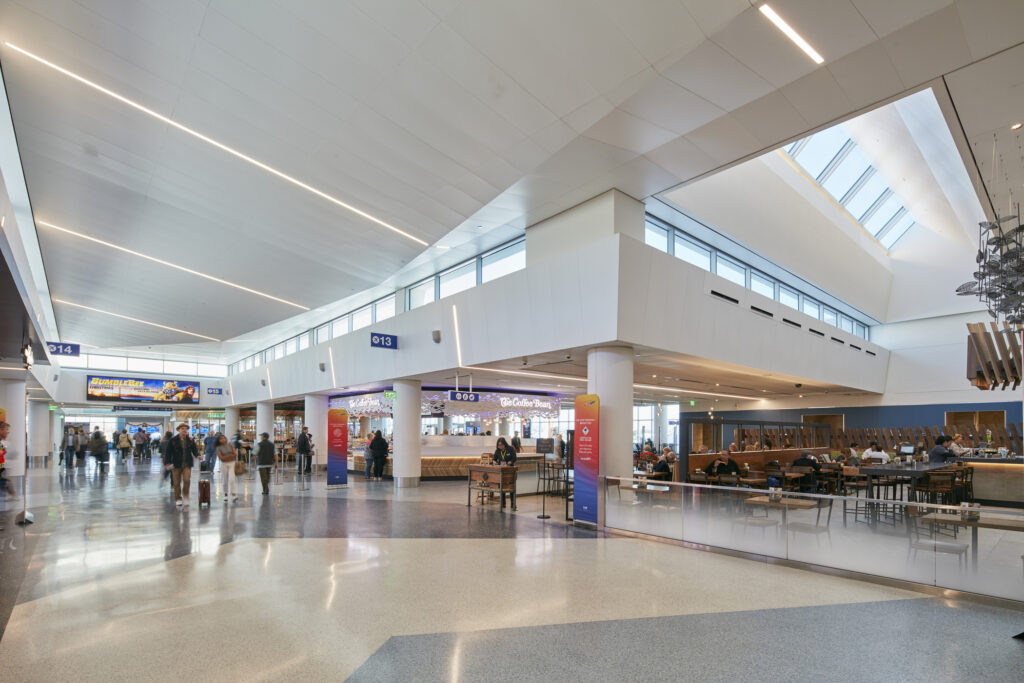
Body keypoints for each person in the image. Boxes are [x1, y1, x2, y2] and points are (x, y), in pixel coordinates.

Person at [167, 423, 200, 507]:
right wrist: (167, 463)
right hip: (176, 464)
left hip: (187, 464)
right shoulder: (173, 440)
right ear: (178, 430)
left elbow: (194, 450)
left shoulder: (190, 440)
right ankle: (178, 498)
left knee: (186, 480)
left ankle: (186, 496)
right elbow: (168, 452)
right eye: (182, 428)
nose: (184, 430)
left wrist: (197, 455)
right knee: (176, 483)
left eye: (186, 429)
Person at [492, 437, 517, 507]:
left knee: (511, 487)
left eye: (501, 445)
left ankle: (513, 503)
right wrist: (494, 461)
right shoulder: (497, 451)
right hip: (502, 471)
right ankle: (503, 503)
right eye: (498, 445)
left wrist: (510, 462)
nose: (500, 446)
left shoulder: (510, 449)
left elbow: (514, 458)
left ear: (504, 444)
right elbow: (494, 459)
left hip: (510, 471)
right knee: (502, 486)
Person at [215, 434, 238, 502]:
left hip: (232, 463)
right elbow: (221, 457)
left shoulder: (230, 445)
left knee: (232, 479)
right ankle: (225, 494)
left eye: (224, 438)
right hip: (224, 464)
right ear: (219, 440)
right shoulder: (218, 447)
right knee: (224, 480)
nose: (223, 440)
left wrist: (227, 456)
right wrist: (230, 455)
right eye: (221, 439)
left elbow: (235, 454)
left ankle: (233, 494)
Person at [0, 421, 18, 497]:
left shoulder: (1, 441)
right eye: (6, 429)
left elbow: (4, 451)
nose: (7, 432)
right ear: (0, 430)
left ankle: (12, 492)